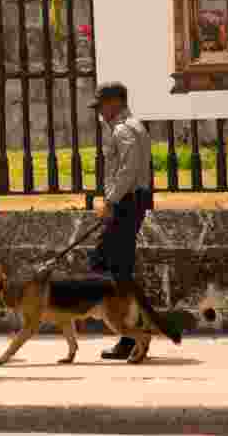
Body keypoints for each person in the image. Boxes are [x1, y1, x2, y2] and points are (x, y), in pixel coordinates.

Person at [88, 81, 153, 360]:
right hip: (132, 200)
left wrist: (111, 200)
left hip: (126, 201)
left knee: (107, 263)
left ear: (114, 102)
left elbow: (127, 170)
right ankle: (133, 330)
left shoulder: (124, 129)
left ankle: (131, 333)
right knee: (117, 265)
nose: (100, 112)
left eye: (102, 105)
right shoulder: (133, 125)